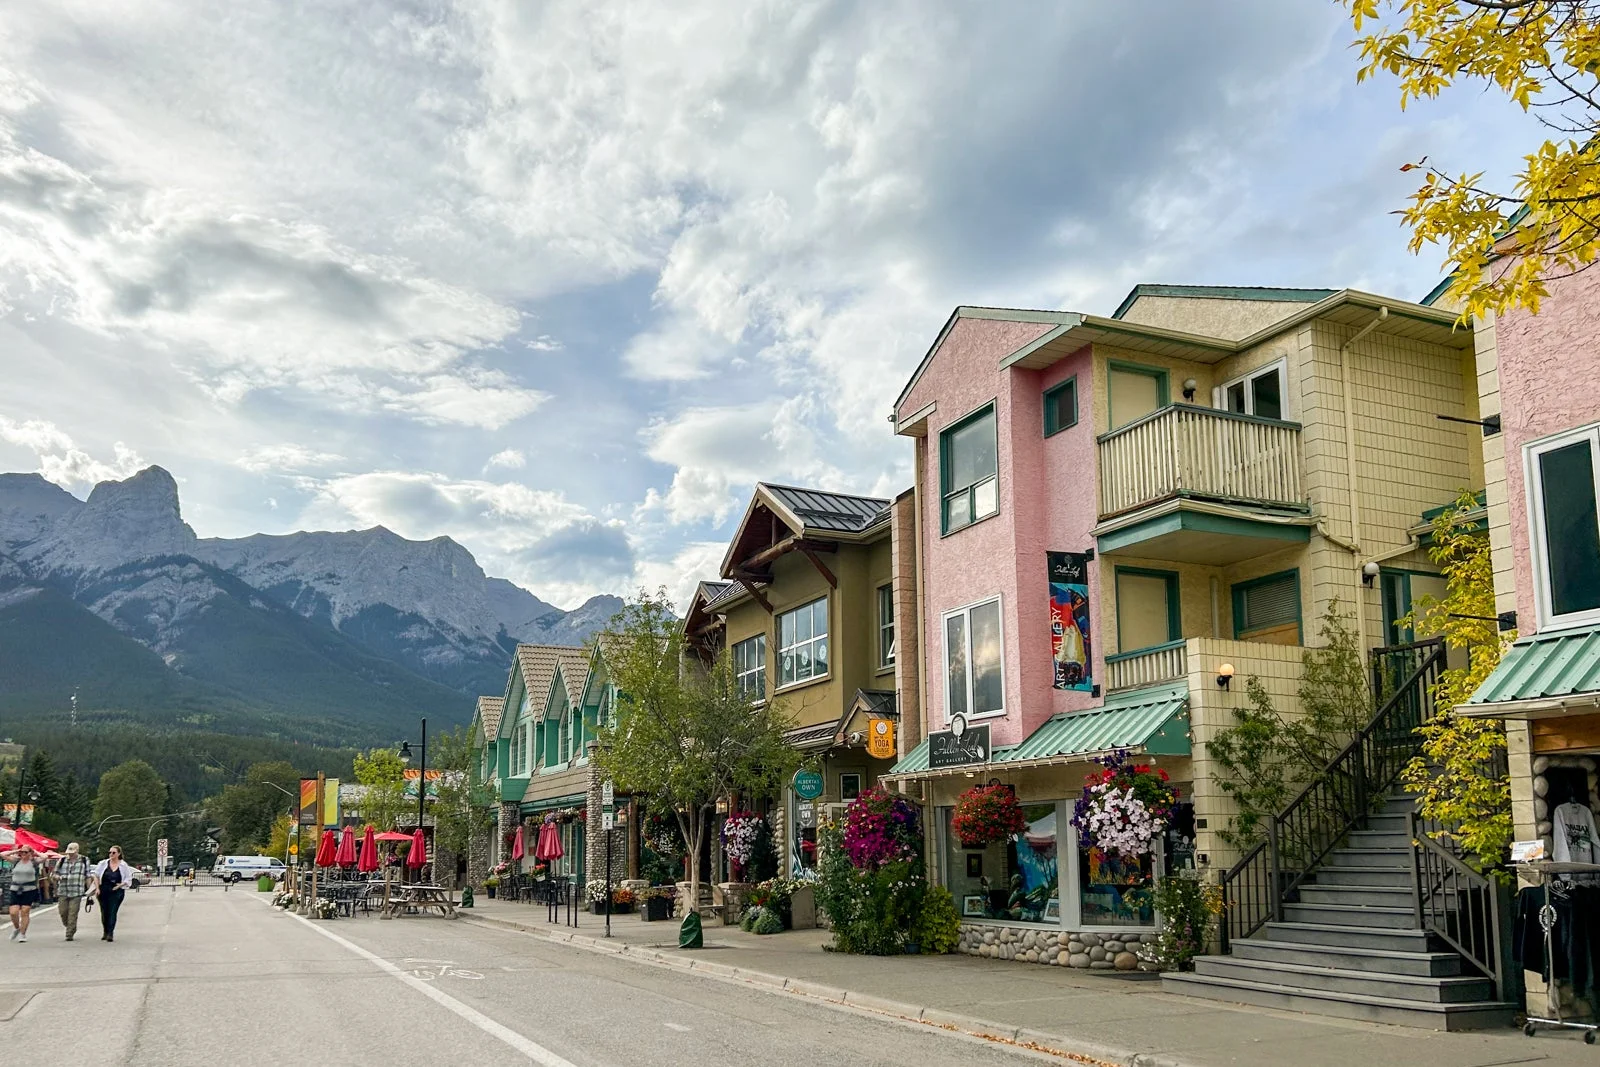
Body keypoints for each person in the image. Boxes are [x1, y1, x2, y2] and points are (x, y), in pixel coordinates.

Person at [1, 844, 41, 943]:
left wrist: (34, 851)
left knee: (25, 911)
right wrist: (16, 851)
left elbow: (44, 857)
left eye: (25, 852)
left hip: (29, 889)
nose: (23, 854)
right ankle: (17, 928)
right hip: (15, 889)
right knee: (13, 912)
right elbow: (2, 854)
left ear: (30, 853)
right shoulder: (16, 861)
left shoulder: (33, 862)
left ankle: (23, 934)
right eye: (22, 852)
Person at [51, 843, 91, 942]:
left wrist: (90, 890)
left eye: (72, 852)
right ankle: (70, 926)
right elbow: (53, 874)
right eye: (69, 852)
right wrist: (58, 877)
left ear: (77, 850)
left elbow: (88, 875)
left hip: (77, 891)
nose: (71, 854)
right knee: (63, 912)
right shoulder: (62, 860)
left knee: (73, 913)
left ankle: (69, 933)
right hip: (63, 890)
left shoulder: (84, 860)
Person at [90, 845, 130, 942]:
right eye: (110, 852)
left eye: (113, 853)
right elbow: (96, 875)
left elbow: (128, 878)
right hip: (104, 889)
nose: (111, 854)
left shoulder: (123, 865)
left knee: (112, 911)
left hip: (116, 891)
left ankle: (110, 933)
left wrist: (120, 885)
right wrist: (97, 888)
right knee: (104, 912)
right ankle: (105, 930)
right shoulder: (103, 863)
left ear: (119, 854)